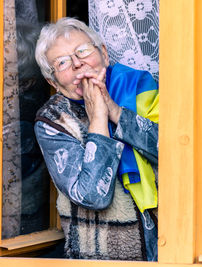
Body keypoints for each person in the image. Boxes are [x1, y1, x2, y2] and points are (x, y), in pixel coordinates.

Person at [34, 17, 158, 261]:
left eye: (83, 51)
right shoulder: (52, 121)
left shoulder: (137, 86)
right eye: (62, 62)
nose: (78, 64)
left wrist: (115, 111)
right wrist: (99, 117)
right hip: (101, 255)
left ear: (103, 53)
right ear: (53, 82)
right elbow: (92, 196)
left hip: (169, 239)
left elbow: (173, 149)